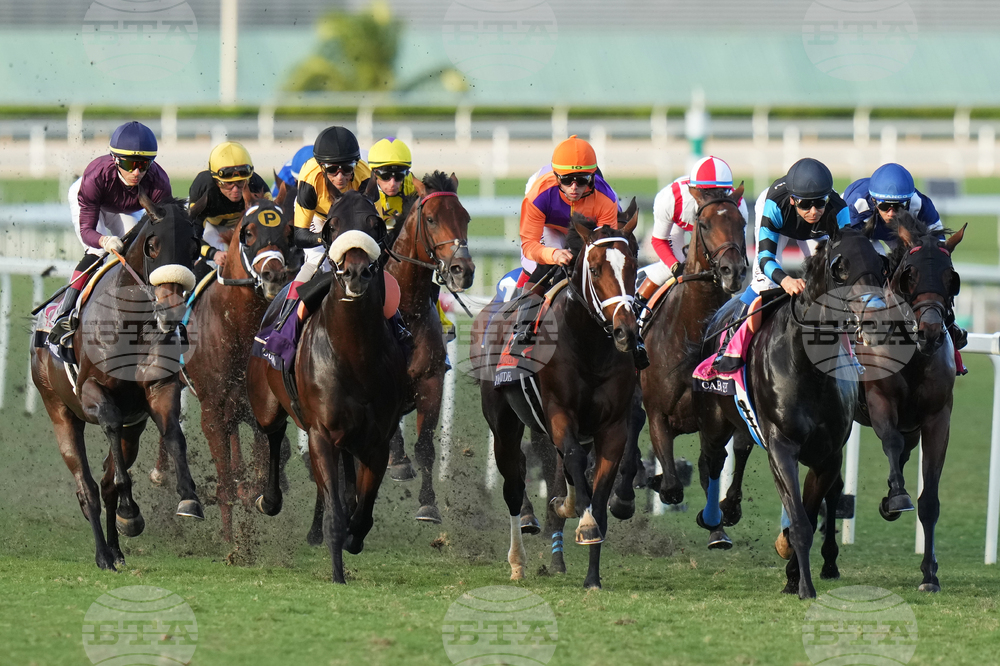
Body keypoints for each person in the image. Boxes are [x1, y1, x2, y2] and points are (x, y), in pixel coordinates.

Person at [513, 135, 648, 368]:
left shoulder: (606, 199)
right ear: (556, 177)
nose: (574, 187)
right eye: (566, 180)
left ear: (592, 177)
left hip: (590, 229)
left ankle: (633, 331)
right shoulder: (538, 195)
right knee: (544, 267)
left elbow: (607, 248)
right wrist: (554, 255)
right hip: (551, 227)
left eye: (582, 179)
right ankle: (520, 328)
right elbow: (529, 245)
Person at [709, 157, 850, 374]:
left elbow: (845, 259)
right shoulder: (774, 204)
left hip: (817, 234)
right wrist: (785, 280)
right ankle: (727, 347)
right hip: (783, 225)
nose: (813, 211)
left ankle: (851, 352)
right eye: (806, 204)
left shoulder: (839, 210)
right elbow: (766, 259)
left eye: (820, 203)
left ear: (828, 198)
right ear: (793, 200)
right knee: (763, 282)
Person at [48, 121, 173, 348]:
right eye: (129, 163)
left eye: (144, 164)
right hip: (92, 201)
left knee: (143, 250)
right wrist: (104, 240)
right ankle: (65, 313)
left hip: (123, 208)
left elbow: (161, 230)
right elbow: (87, 231)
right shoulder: (95, 178)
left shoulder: (159, 182)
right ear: (115, 159)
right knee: (97, 251)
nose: (137, 172)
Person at [844, 163, 967, 372]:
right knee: (872, 267)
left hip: (900, 234)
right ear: (874, 201)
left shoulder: (922, 206)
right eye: (885, 207)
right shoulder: (856, 205)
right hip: (861, 233)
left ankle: (951, 330)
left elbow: (940, 254)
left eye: (899, 207)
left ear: (909, 202)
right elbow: (851, 250)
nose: (891, 213)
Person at [269, 126, 372, 328]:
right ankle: (284, 327)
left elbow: (375, 228)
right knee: (316, 261)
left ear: (356, 165)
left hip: (352, 219)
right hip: (319, 217)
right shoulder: (309, 181)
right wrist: (325, 239)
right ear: (322, 167)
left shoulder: (365, 178)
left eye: (346, 168)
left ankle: (399, 326)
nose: (340, 176)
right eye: (333, 170)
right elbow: (300, 235)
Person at [362, 136, 456, 341]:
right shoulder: (362, 191)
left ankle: (439, 321)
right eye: (385, 176)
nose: (393, 183)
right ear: (374, 173)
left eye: (399, 175)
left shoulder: (413, 188)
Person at [637, 156, 749, 312]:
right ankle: (637, 306)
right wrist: (675, 267)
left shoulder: (738, 208)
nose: (716, 199)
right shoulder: (672, 199)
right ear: (695, 191)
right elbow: (658, 241)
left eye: (722, 192)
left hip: (712, 230)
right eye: (708, 193)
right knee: (671, 266)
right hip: (677, 223)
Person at [188, 141, 270, 267]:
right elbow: (191, 235)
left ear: (248, 179)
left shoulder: (258, 187)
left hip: (242, 226)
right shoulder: (203, 189)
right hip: (210, 226)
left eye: (241, 182)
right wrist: (213, 254)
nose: (235, 190)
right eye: (228, 184)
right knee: (207, 264)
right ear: (216, 181)